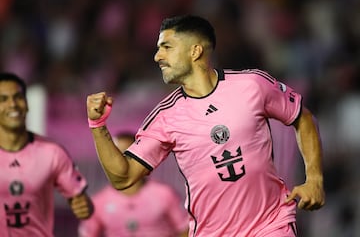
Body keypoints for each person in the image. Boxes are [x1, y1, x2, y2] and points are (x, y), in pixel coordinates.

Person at [86, 15, 325, 236]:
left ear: (195, 51)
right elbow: (124, 177)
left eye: (166, 47)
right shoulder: (166, 116)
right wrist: (98, 125)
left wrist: (314, 179)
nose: (157, 56)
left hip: (271, 224)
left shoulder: (252, 85)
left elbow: (302, 118)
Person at [0, 72, 94, 237]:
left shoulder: (52, 152)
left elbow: (82, 202)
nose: (13, 104)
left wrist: (83, 206)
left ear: (27, 104)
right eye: (3, 99)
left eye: (18, 97)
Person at [78, 132, 189, 237]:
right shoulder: (98, 202)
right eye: (115, 157)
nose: (120, 163)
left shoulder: (164, 194)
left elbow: (185, 230)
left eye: (126, 156)